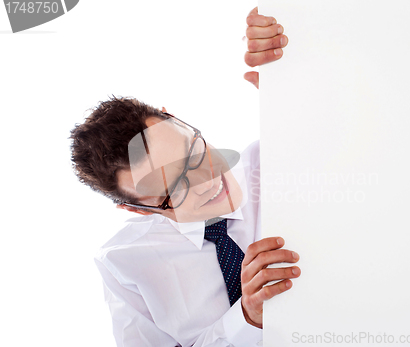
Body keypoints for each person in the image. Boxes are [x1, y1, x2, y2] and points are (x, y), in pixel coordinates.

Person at [70, 7, 300, 347]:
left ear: (176, 119)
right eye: (173, 189)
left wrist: (294, 52)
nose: (207, 181)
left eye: (192, 153)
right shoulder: (123, 263)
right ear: (137, 209)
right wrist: (247, 318)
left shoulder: (273, 160)